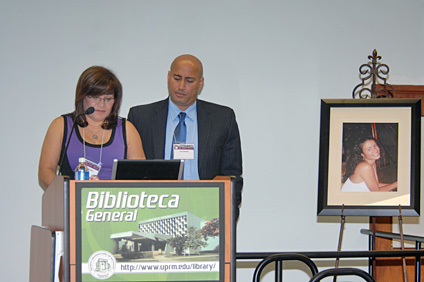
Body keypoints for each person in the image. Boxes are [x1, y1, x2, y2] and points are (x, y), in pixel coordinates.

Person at [127, 54, 243, 215]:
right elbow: (131, 173)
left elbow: (232, 175)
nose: (181, 86)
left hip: (205, 211)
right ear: (168, 77)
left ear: (200, 83)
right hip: (154, 210)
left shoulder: (222, 118)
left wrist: (227, 214)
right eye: (177, 78)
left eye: (189, 81)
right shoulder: (141, 117)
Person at [38, 66, 145, 190]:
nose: (101, 104)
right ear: (82, 96)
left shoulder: (127, 129)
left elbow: (140, 176)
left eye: (108, 99)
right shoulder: (61, 126)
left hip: (114, 205)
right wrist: (67, 193)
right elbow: (45, 171)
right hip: (72, 203)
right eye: (95, 97)